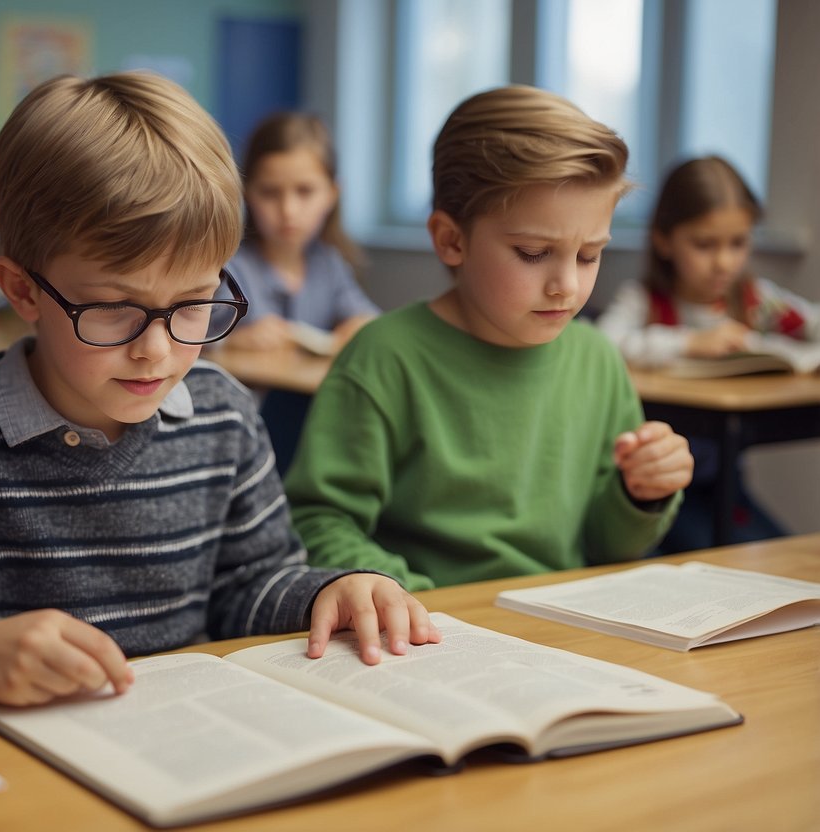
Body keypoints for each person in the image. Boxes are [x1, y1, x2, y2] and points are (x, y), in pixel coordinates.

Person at [0, 72, 440, 710]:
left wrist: (330, 589)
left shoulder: (223, 415)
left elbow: (248, 584)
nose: (156, 350)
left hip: (173, 742)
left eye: (192, 304)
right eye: (112, 308)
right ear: (23, 292)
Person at [284, 85, 694, 592]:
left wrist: (641, 493)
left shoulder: (597, 360)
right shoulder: (384, 358)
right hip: (428, 635)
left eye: (589, 255)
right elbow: (319, 522)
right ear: (451, 240)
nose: (567, 284)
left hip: (560, 635)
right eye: (532, 252)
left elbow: (607, 545)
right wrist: (404, 596)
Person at [596, 155, 817, 550]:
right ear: (664, 239)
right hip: (660, 493)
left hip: (727, 491)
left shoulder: (755, 301)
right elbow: (605, 342)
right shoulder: (646, 301)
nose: (723, 262)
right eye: (704, 244)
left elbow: (811, 321)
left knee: (786, 553)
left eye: (738, 243)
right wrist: (687, 342)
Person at [225, 111, 379, 353]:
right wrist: (231, 341)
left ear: (332, 194)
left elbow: (369, 319)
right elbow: (190, 338)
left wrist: (359, 326)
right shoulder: (229, 270)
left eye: (305, 191)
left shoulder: (329, 264)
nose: (288, 211)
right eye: (270, 192)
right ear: (247, 193)